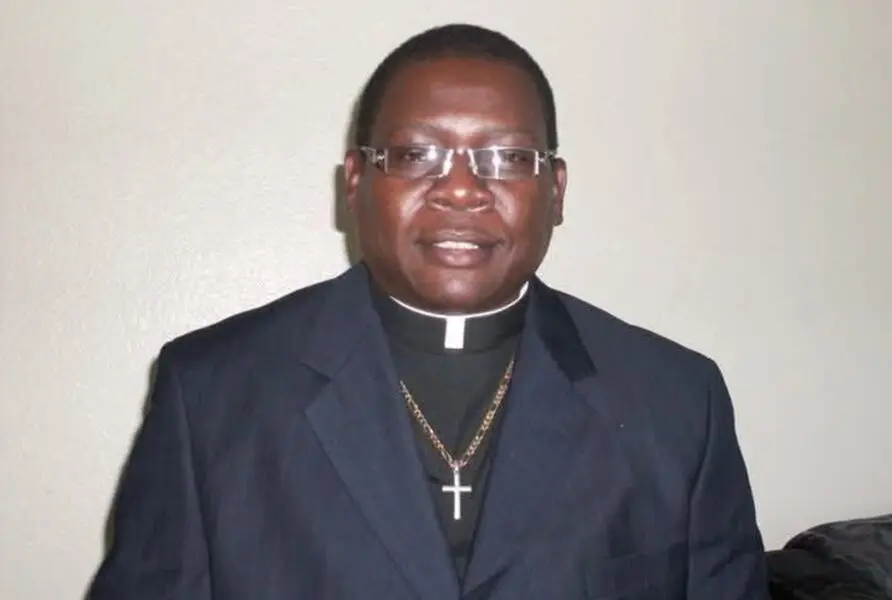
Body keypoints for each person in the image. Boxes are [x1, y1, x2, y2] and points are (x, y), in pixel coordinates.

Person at [88, 23, 769, 600]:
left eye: (506, 157)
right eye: (416, 154)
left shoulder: (677, 401)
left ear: (556, 190)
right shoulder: (211, 393)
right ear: (356, 182)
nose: (462, 189)